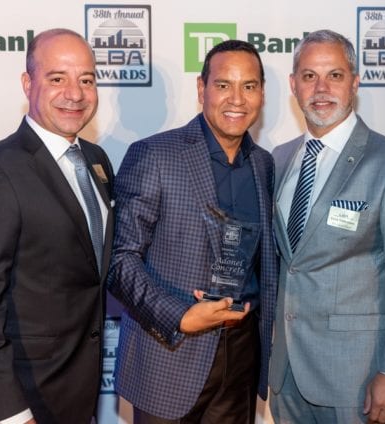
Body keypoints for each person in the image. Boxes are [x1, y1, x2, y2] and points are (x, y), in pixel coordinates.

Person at [269, 30, 385, 424]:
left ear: (355, 83)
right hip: (286, 373)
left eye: (335, 75)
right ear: (293, 85)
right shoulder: (279, 159)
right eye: (309, 76)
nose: (321, 88)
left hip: (357, 378)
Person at [0, 28, 114, 424]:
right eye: (57, 78)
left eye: (86, 80)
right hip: (19, 398)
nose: (75, 93)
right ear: (28, 83)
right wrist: (12, 414)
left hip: (77, 393)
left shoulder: (96, 160)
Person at [107, 40, 277, 424]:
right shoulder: (155, 155)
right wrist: (181, 315)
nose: (236, 98)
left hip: (241, 356)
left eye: (248, 86)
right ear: (202, 89)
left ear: (261, 95)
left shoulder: (264, 165)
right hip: (169, 356)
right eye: (223, 85)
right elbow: (120, 260)